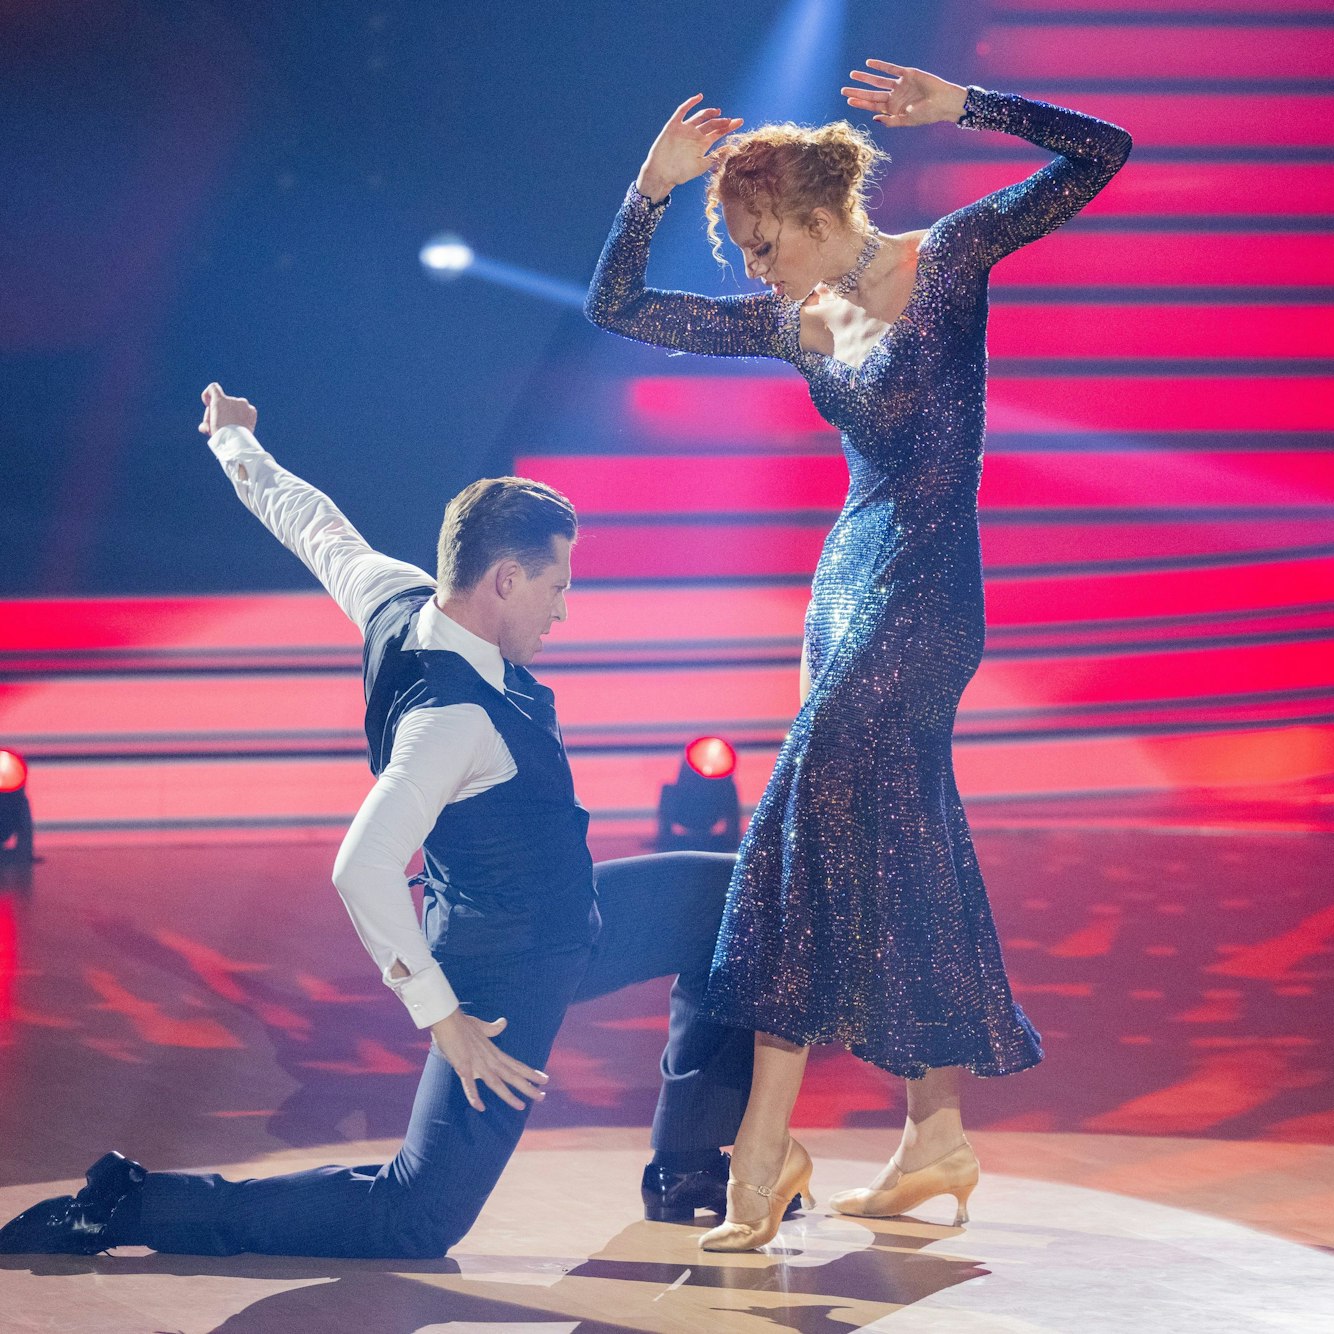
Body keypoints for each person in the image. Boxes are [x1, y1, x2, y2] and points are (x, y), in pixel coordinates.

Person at [0, 384, 760, 1259]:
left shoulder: (398, 598)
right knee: (415, 1219)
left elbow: (311, 523)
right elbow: (360, 867)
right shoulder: (452, 721)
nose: (562, 609)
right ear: (506, 579)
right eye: (557, 587)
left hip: (568, 916)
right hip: (504, 976)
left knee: (737, 901)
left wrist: (235, 442)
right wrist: (444, 1019)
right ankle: (133, 1206)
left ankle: (687, 1167)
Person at [585, 59, 1132, 1251]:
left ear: (817, 212)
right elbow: (615, 308)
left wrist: (968, 108)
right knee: (904, 847)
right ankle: (933, 1132)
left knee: (791, 823)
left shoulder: (947, 257)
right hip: (841, 591)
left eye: (757, 241)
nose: (749, 267)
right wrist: (647, 190)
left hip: (927, 599)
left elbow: (1104, 151)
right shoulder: (796, 322)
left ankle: (760, 1149)